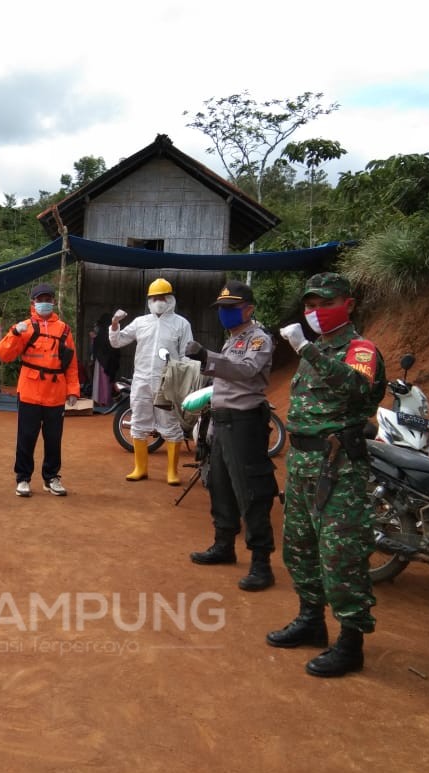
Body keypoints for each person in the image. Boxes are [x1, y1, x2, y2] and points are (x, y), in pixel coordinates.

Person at [267, 272, 386, 678]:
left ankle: (351, 642)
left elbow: (358, 390)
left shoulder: (360, 350)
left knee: (340, 554)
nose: (314, 311)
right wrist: (309, 350)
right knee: (298, 546)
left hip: (338, 468)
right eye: (310, 305)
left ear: (348, 304)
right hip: (301, 464)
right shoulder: (314, 347)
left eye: (324, 303)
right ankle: (310, 620)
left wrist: (307, 351)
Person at [185, 281, 278, 591]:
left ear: (248, 308)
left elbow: (246, 371)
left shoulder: (258, 340)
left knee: (252, 492)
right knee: (220, 485)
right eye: (222, 308)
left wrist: (206, 356)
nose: (225, 313)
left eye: (231, 307)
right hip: (223, 422)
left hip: (245, 424)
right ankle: (224, 544)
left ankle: (261, 563)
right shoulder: (232, 339)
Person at [0, 282, 80, 497]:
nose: (44, 303)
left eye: (48, 299)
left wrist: (73, 390)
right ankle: (23, 478)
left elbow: (71, 363)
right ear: (33, 302)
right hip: (30, 391)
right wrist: (14, 332)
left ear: (53, 301)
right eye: (40, 300)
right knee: (26, 436)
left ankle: (51, 477)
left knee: (54, 438)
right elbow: (3, 355)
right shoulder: (24, 327)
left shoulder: (64, 329)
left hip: (55, 392)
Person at [109, 278, 193, 484]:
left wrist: (182, 381)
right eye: (154, 298)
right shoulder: (141, 322)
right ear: (149, 300)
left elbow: (186, 354)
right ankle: (140, 468)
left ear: (170, 299)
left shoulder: (181, 324)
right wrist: (114, 324)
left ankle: (172, 473)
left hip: (167, 381)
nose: (158, 301)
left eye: (162, 297)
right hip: (142, 379)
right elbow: (117, 341)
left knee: (170, 423)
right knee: (138, 421)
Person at [91, 312, 118, 407]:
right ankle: (106, 400)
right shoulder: (112, 331)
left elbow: (98, 346)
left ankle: (101, 400)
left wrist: (94, 338)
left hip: (102, 361)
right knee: (107, 381)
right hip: (110, 361)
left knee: (101, 381)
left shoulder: (102, 332)